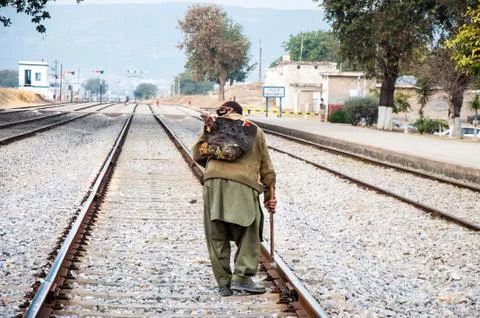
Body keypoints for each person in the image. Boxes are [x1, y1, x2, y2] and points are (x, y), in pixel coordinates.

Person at [193, 101, 277, 297]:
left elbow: (197, 154)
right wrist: (269, 197)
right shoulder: (255, 130)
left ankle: (223, 283)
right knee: (249, 230)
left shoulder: (213, 126)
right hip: (243, 184)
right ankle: (242, 278)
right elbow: (267, 169)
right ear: (241, 113)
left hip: (213, 183)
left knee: (216, 234)